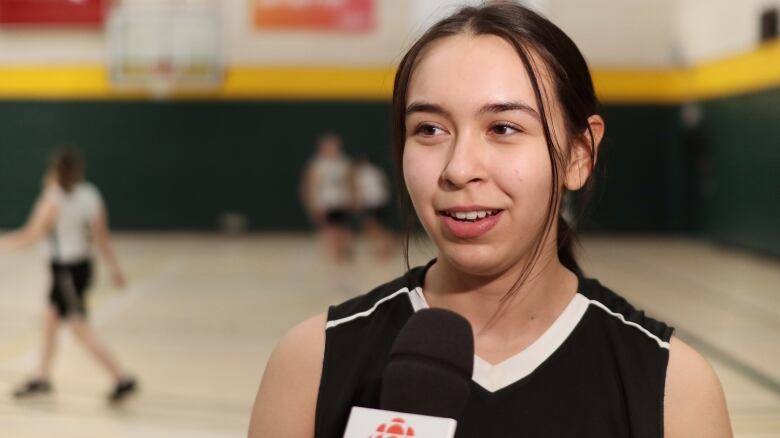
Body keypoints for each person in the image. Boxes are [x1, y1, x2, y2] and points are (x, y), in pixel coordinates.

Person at [250, 4, 732, 437]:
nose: (459, 168)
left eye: (503, 128)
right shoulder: (312, 362)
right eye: (429, 129)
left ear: (579, 154)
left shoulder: (672, 386)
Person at [0, 148, 138, 404]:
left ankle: (122, 377)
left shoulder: (53, 199)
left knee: (78, 327)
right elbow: (101, 237)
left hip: (65, 271)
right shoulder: (90, 194)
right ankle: (41, 377)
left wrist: (4, 245)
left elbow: (31, 234)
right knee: (51, 320)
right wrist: (115, 269)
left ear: (55, 172)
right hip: (83, 266)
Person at [300, 134, 355, 264]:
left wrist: (353, 197)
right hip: (326, 202)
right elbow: (310, 185)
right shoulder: (317, 164)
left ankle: (344, 253)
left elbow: (350, 181)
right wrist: (313, 203)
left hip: (341, 201)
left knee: (342, 228)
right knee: (329, 229)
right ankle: (333, 255)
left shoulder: (344, 161)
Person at [351, 154, 396, 258]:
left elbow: (358, 189)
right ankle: (385, 245)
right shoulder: (376, 171)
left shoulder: (360, 173)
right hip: (381, 201)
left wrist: (356, 203)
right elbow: (384, 185)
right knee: (377, 226)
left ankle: (384, 247)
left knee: (372, 227)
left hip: (370, 202)